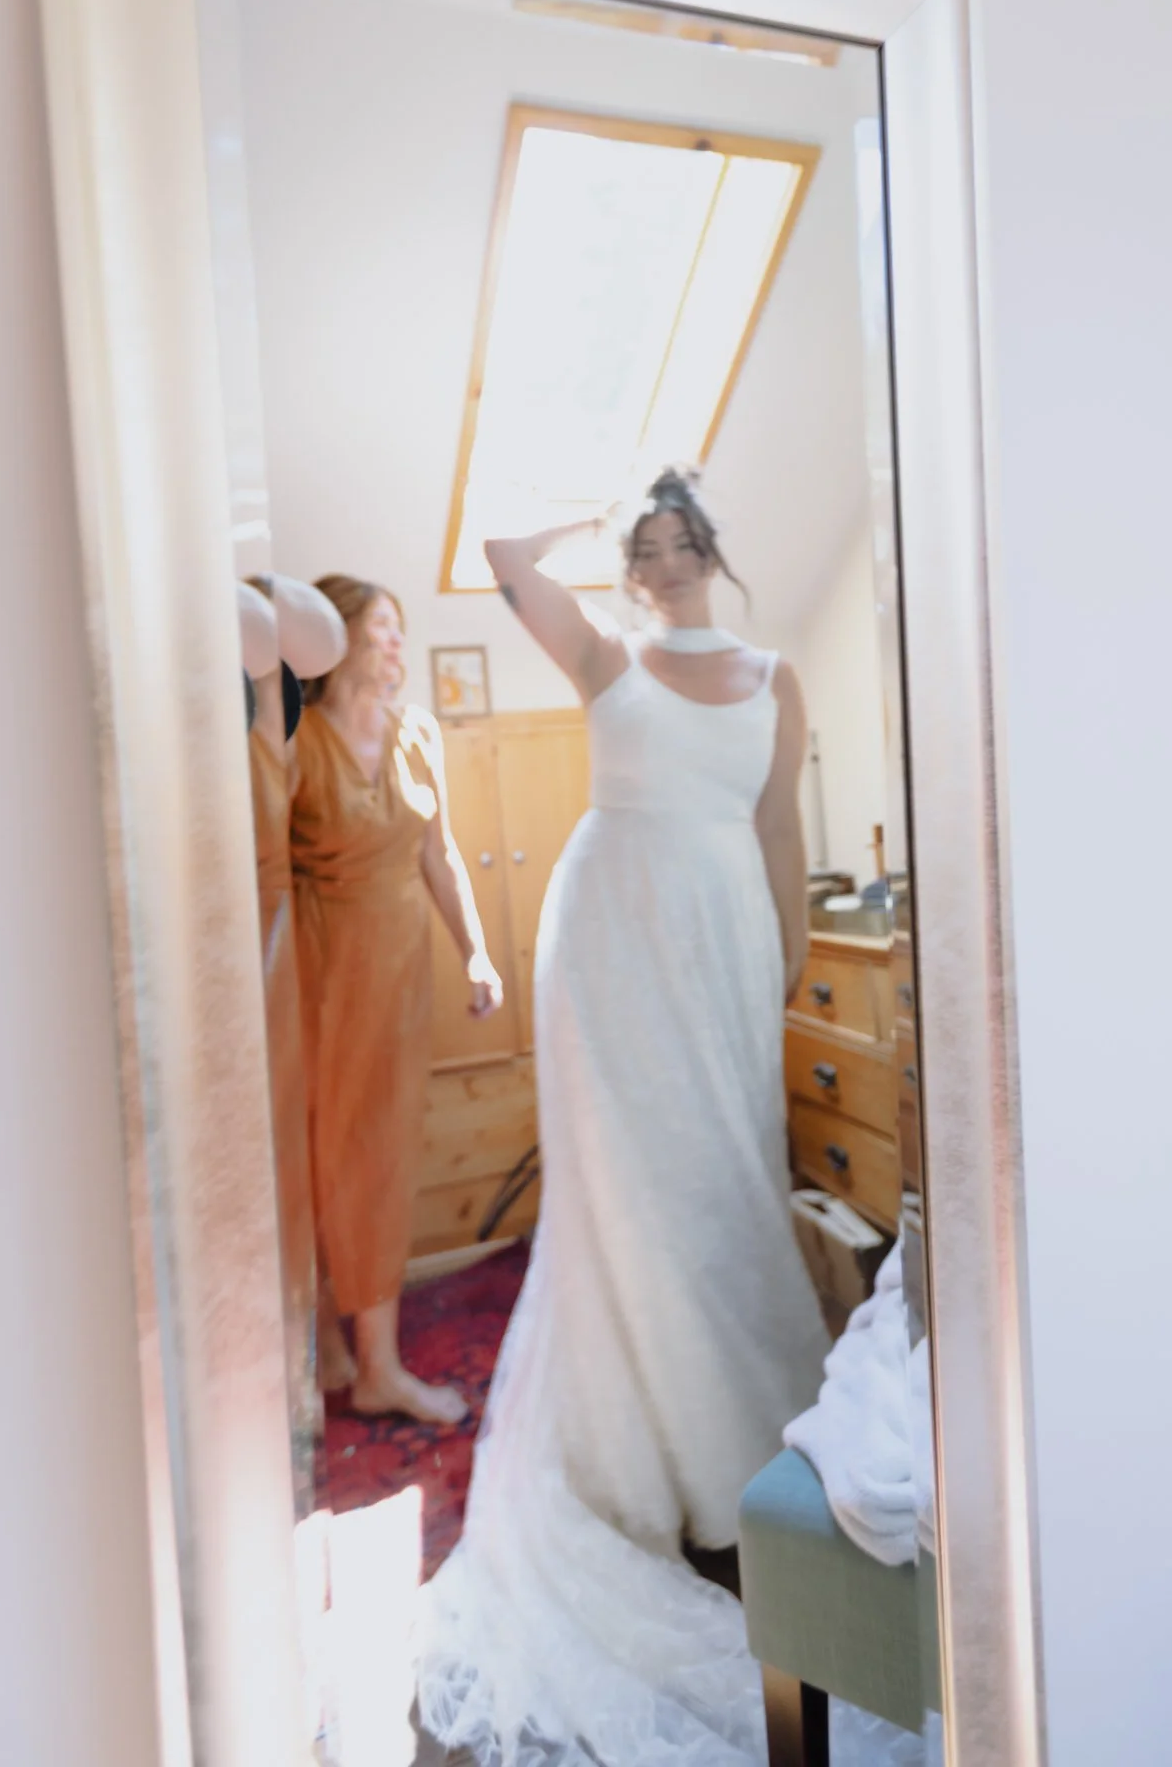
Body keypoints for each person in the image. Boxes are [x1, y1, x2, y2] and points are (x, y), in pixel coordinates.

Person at [418, 468, 828, 1764]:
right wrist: (594, 504)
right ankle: (641, 1458)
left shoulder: (774, 678)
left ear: (710, 545)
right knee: (634, 1192)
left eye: (675, 538)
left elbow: (777, 830)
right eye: (640, 547)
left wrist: (786, 961)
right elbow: (501, 551)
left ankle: (738, 1449)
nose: (659, 561)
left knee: (726, 1183)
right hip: (608, 939)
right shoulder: (605, 655)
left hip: (724, 937)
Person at [291, 574, 503, 1425]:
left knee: (379, 1157)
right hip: (318, 973)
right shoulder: (295, 738)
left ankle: (375, 1364)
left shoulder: (418, 733)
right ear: (335, 636)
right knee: (317, 1155)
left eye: (397, 629)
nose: (394, 643)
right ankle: (327, 1342)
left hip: (400, 969)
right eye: (380, 626)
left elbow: (440, 854)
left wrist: (476, 952)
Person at [238, 575, 348, 1475]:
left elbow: (321, 641)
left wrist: (247, 576)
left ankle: (293, 1388)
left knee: (282, 1163)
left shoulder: (270, 657)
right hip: (220, 922)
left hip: (270, 927)